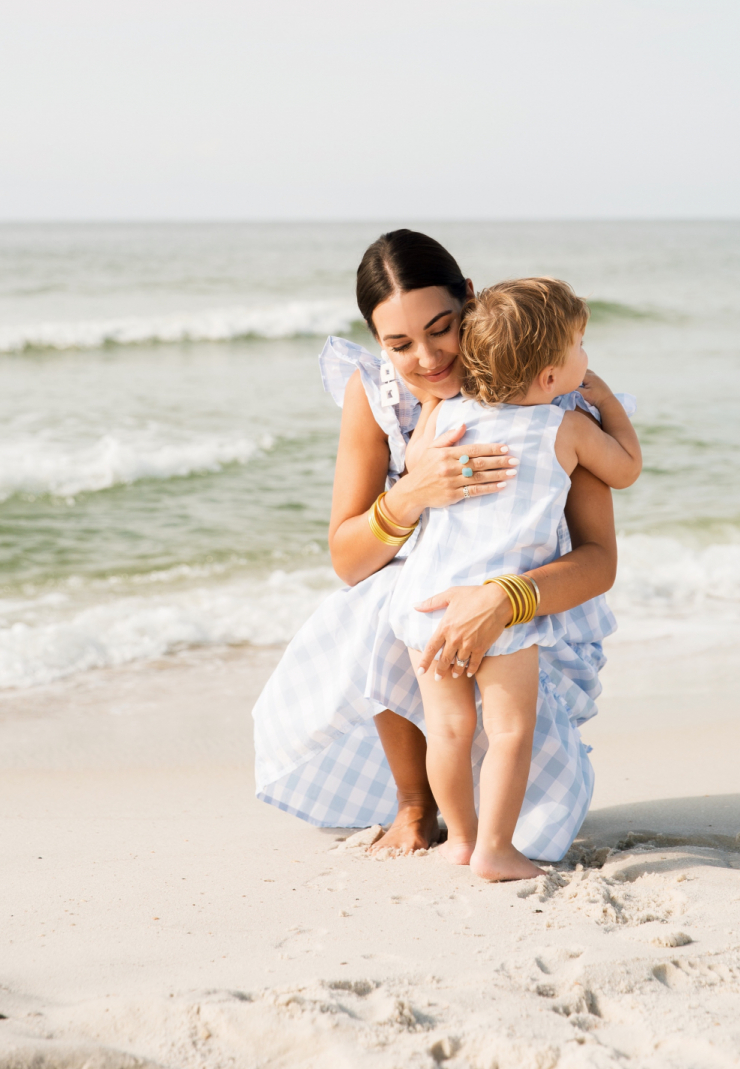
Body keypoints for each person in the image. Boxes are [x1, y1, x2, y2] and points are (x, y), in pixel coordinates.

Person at [252, 230, 641, 861]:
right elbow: (349, 562)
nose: (429, 358)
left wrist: (505, 598)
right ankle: (415, 804)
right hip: (422, 615)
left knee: (546, 825)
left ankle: (478, 834)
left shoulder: (555, 397)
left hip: (526, 605)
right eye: (400, 344)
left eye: (442, 329)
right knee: (380, 597)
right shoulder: (379, 393)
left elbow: (600, 561)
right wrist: (413, 492)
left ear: (470, 301)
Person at [389, 277, 633, 881]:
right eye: (579, 346)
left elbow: (418, 470)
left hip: (426, 602)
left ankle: (461, 841)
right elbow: (625, 470)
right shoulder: (566, 427)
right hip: (503, 610)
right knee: (509, 731)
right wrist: (608, 404)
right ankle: (497, 849)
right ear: (550, 379)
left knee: (447, 728)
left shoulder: (447, 412)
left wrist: (430, 415)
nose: (587, 357)